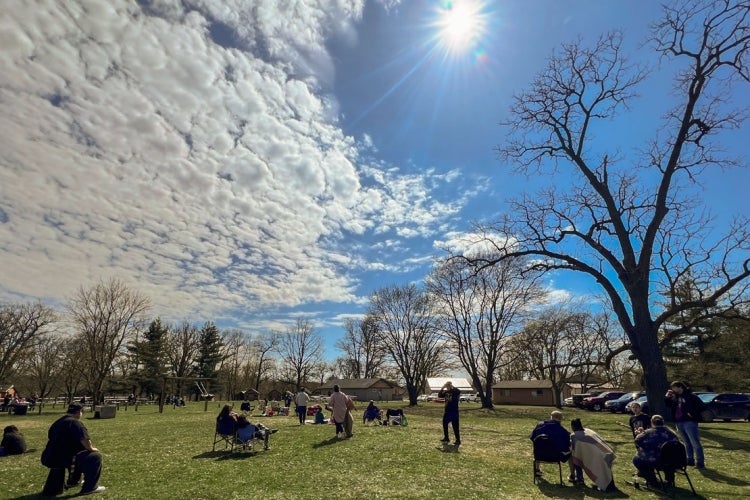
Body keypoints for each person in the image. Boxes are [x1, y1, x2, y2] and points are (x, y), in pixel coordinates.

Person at [41, 403, 105, 496]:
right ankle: (90, 487)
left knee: (77, 454)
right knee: (94, 456)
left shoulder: (58, 422)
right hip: (64, 458)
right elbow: (85, 441)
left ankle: (72, 482)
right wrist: (92, 449)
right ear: (79, 412)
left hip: (49, 456)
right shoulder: (75, 423)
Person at [664, 381, 706, 468]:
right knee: (686, 442)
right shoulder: (676, 397)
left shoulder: (691, 396)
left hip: (689, 422)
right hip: (679, 422)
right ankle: (690, 460)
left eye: (674, 387)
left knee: (695, 442)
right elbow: (669, 405)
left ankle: (700, 462)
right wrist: (667, 398)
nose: (673, 389)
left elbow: (702, 406)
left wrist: (692, 413)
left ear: (680, 387)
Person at [632, 415, 682, 488]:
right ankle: (669, 480)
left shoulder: (648, 432)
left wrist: (644, 446)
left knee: (636, 459)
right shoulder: (672, 433)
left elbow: (637, 440)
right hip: (673, 461)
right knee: (668, 457)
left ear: (652, 422)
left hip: (656, 460)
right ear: (663, 422)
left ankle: (653, 481)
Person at [570, 418, 617, 492]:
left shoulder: (574, 436)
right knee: (606, 471)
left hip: (596, 456)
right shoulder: (589, 431)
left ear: (573, 426)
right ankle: (609, 484)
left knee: (576, 459)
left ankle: (580, 479)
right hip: (606, 452)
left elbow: (575, 452)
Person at [530, 411, 579, 481]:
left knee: (538, 446)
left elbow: (533, 438)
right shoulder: (563, 431)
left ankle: (537, 469)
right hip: (555, 456)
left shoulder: (539, 425)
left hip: (539, 455)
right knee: (571, 454)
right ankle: (573, 475)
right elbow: (566, 446)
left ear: (551, 417)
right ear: (561, 419)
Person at [438, 381, 461, 446]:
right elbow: (440, 395)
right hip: (447, 411)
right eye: (447, 385)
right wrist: (442, 388)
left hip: (454, 411)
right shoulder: (446, 392)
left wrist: (452, 386)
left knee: (455, 426)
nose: (447, 386)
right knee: (444, 424)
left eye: (448, 385)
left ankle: (458, 440)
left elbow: (459, 391)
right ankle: (446, 438)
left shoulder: (454, 391)